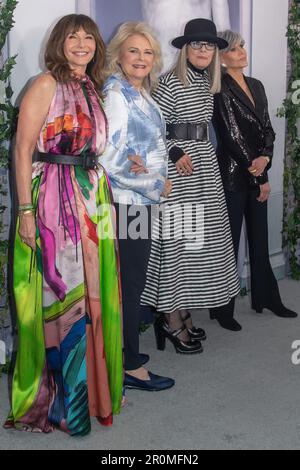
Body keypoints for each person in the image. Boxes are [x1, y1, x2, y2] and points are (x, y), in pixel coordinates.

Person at [4, 14, 123, 436]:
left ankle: (92, 395)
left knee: (97, 296)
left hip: (94, 198)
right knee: (65, 300)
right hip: (55, 202)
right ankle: (59, 402)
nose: (81, 44)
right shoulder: (45, 84)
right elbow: (21, 151)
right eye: (73, 37)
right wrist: (24, 213)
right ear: (59, 42)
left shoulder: (93, 86)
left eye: (88, 37)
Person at [141, 18, 241, 348]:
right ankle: (170, 319)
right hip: (179, 172)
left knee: (195, 244)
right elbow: (152, 127)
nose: (203, 50)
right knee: (176, 244)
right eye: (196, 45)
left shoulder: (206, 83)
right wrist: (174, 150)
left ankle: (180, 311)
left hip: (203, 170)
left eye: (209, 45)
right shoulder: (169, 82)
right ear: (186, 49)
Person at [101, 22, 175, 391]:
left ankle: (124, 351)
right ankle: (129, 365)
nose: (141, 58)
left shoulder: (141, 92)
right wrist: (155, 183)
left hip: (140, 201)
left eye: (147, 52)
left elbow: (145, 147)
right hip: (125, 203)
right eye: (134, 51)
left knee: (131, 282)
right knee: (129, 284)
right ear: (119, 55)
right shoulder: (116, 93)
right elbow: (105, 157)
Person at [212, 29, 298, 321]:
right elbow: (231, 137)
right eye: (235, 49)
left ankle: (267, 298)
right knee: (228, 244)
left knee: (260, 239)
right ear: (222, 57)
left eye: (243, 47)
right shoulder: (218, 87)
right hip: (233, 177)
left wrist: (266, 159)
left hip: (257, 170)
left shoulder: (256, 85)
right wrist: (259, 176)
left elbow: (267, 129)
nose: (242, 53)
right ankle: (223, 310)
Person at [141, 0, 231, 72]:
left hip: (197, 35)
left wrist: (224, 47)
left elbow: (220, 5)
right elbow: (145, 7)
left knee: (196, 80)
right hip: (160, 33)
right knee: (159, 80)